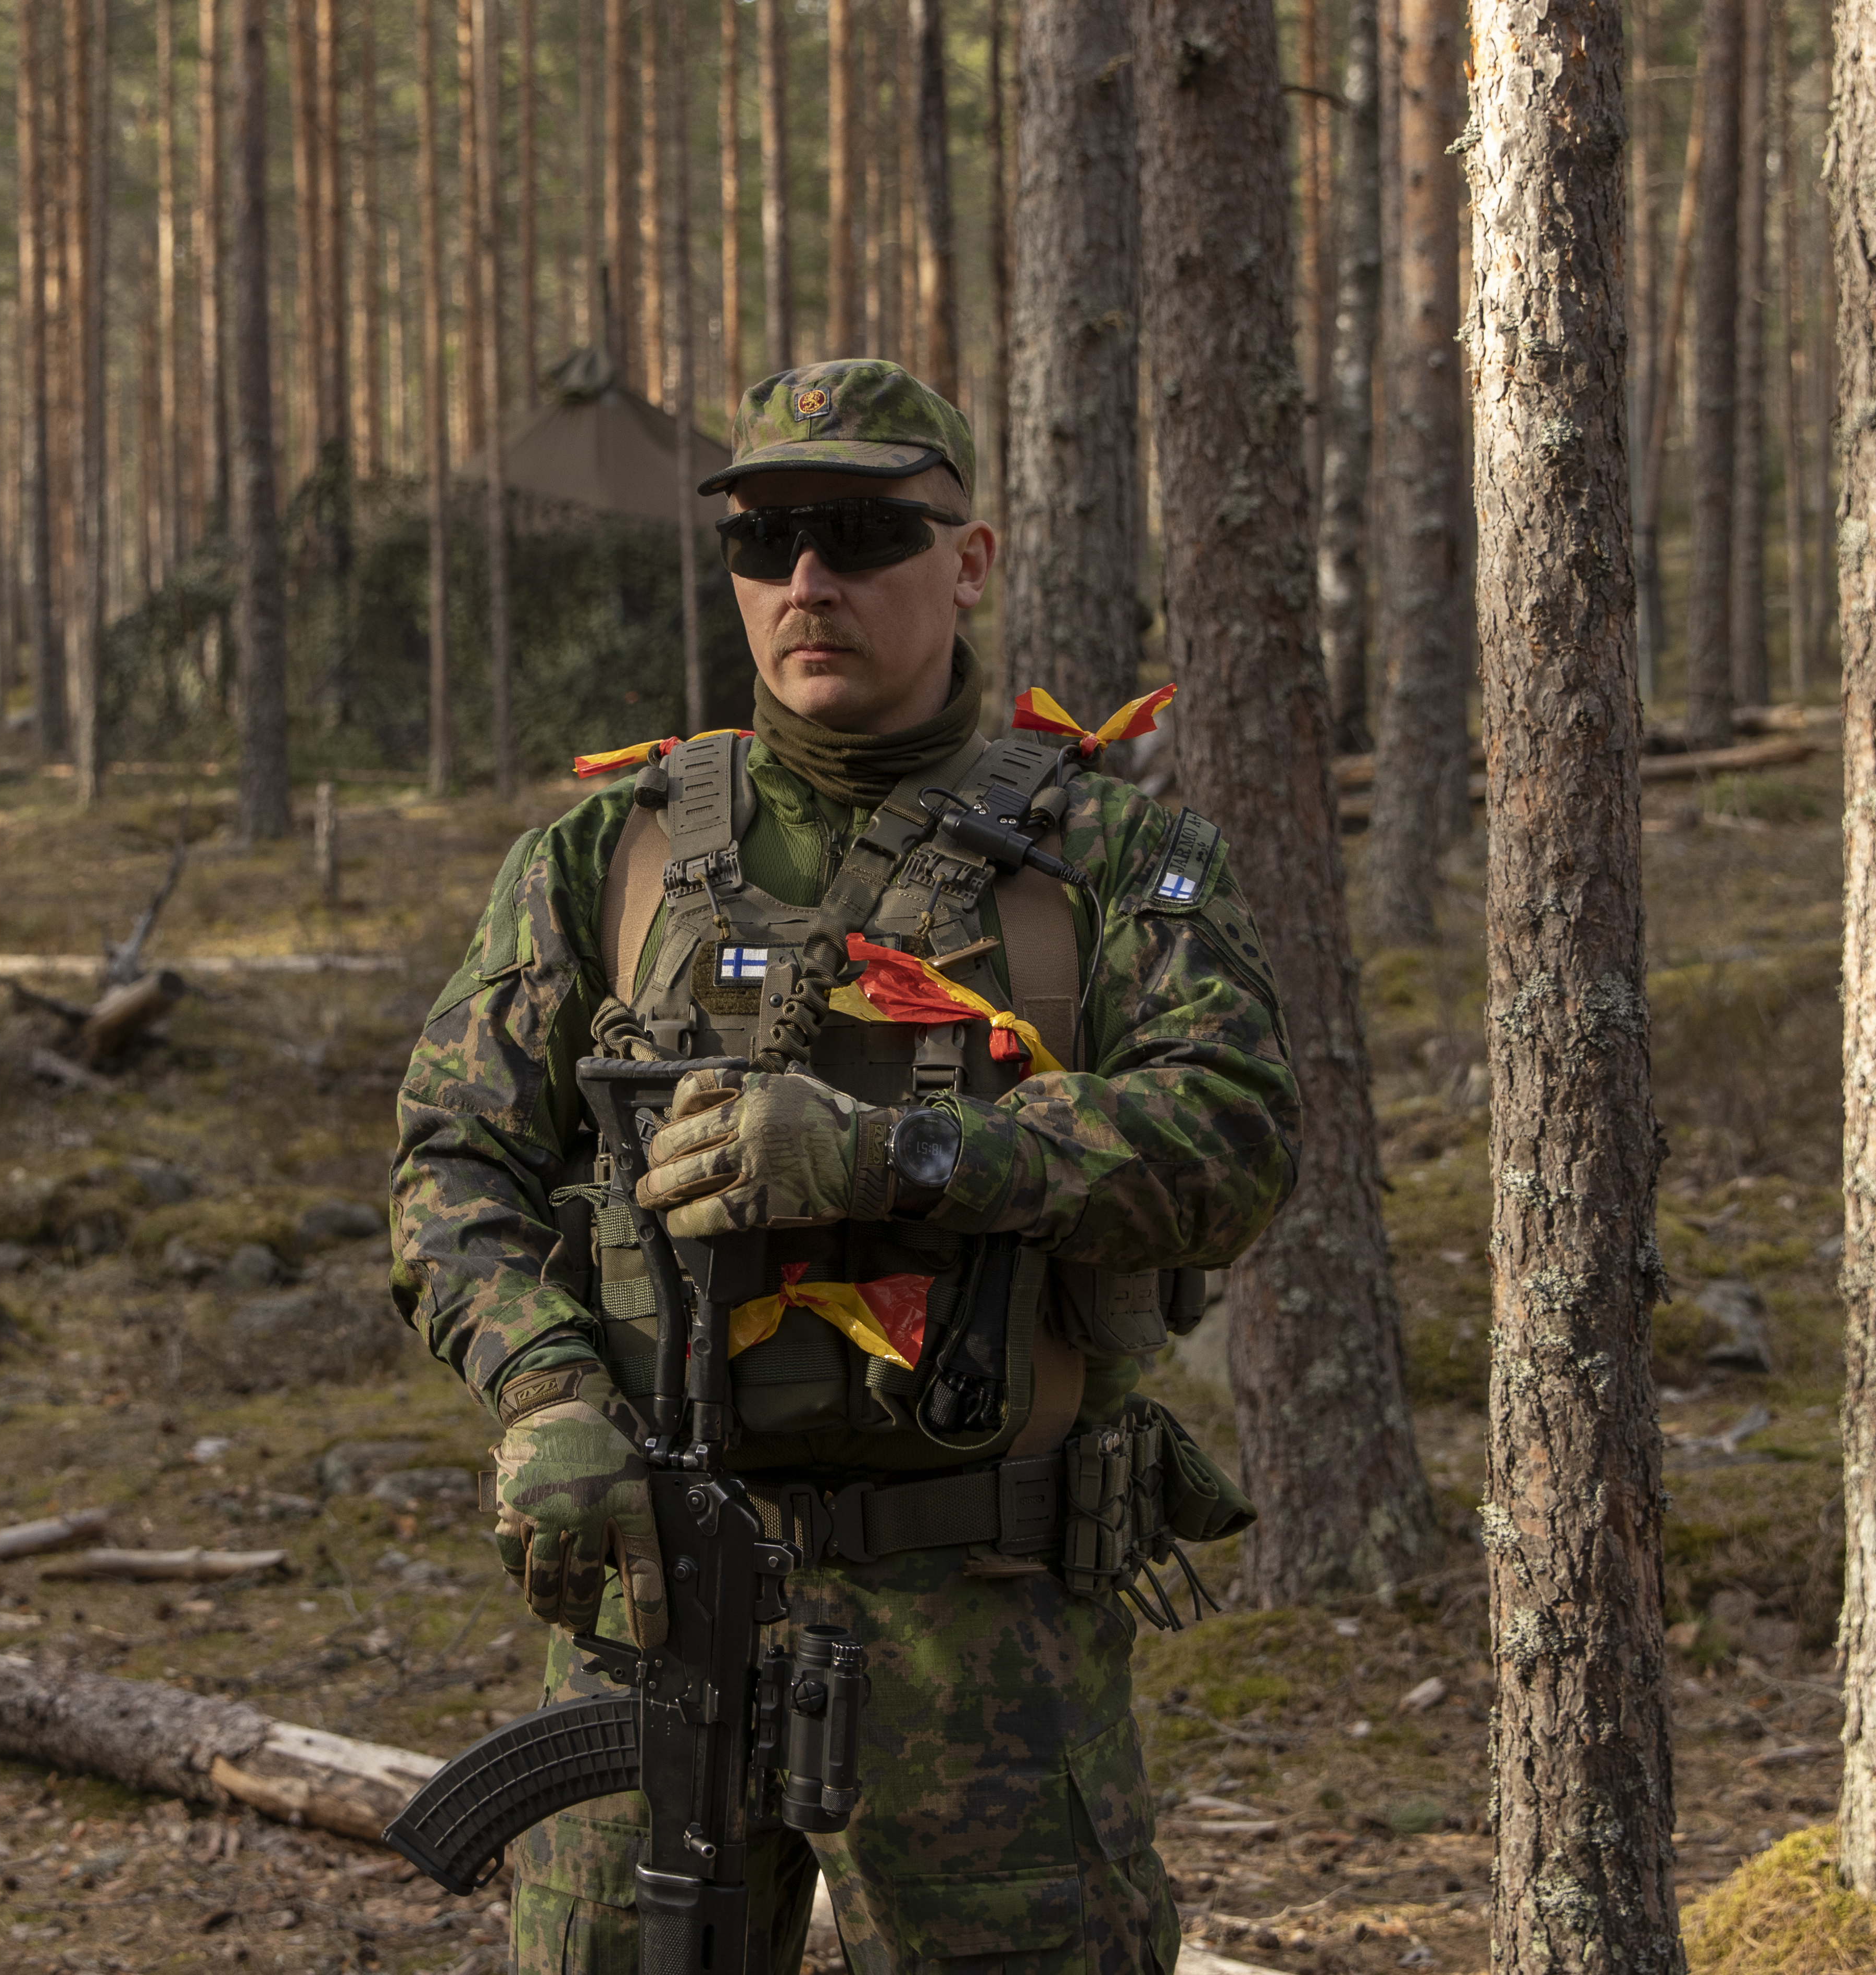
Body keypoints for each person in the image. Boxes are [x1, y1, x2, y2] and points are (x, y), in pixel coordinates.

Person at [390, 358, 1296, 1975]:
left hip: (979, 1621)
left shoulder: (1103, 860)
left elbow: (1233, 1135)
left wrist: (904, 1152)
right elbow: (453, 1155)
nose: (808, 580)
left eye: (864, 532)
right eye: (766, 539)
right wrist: (542, 1392)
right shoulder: (610, 856)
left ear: (969, 560)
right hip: (650, 1596)